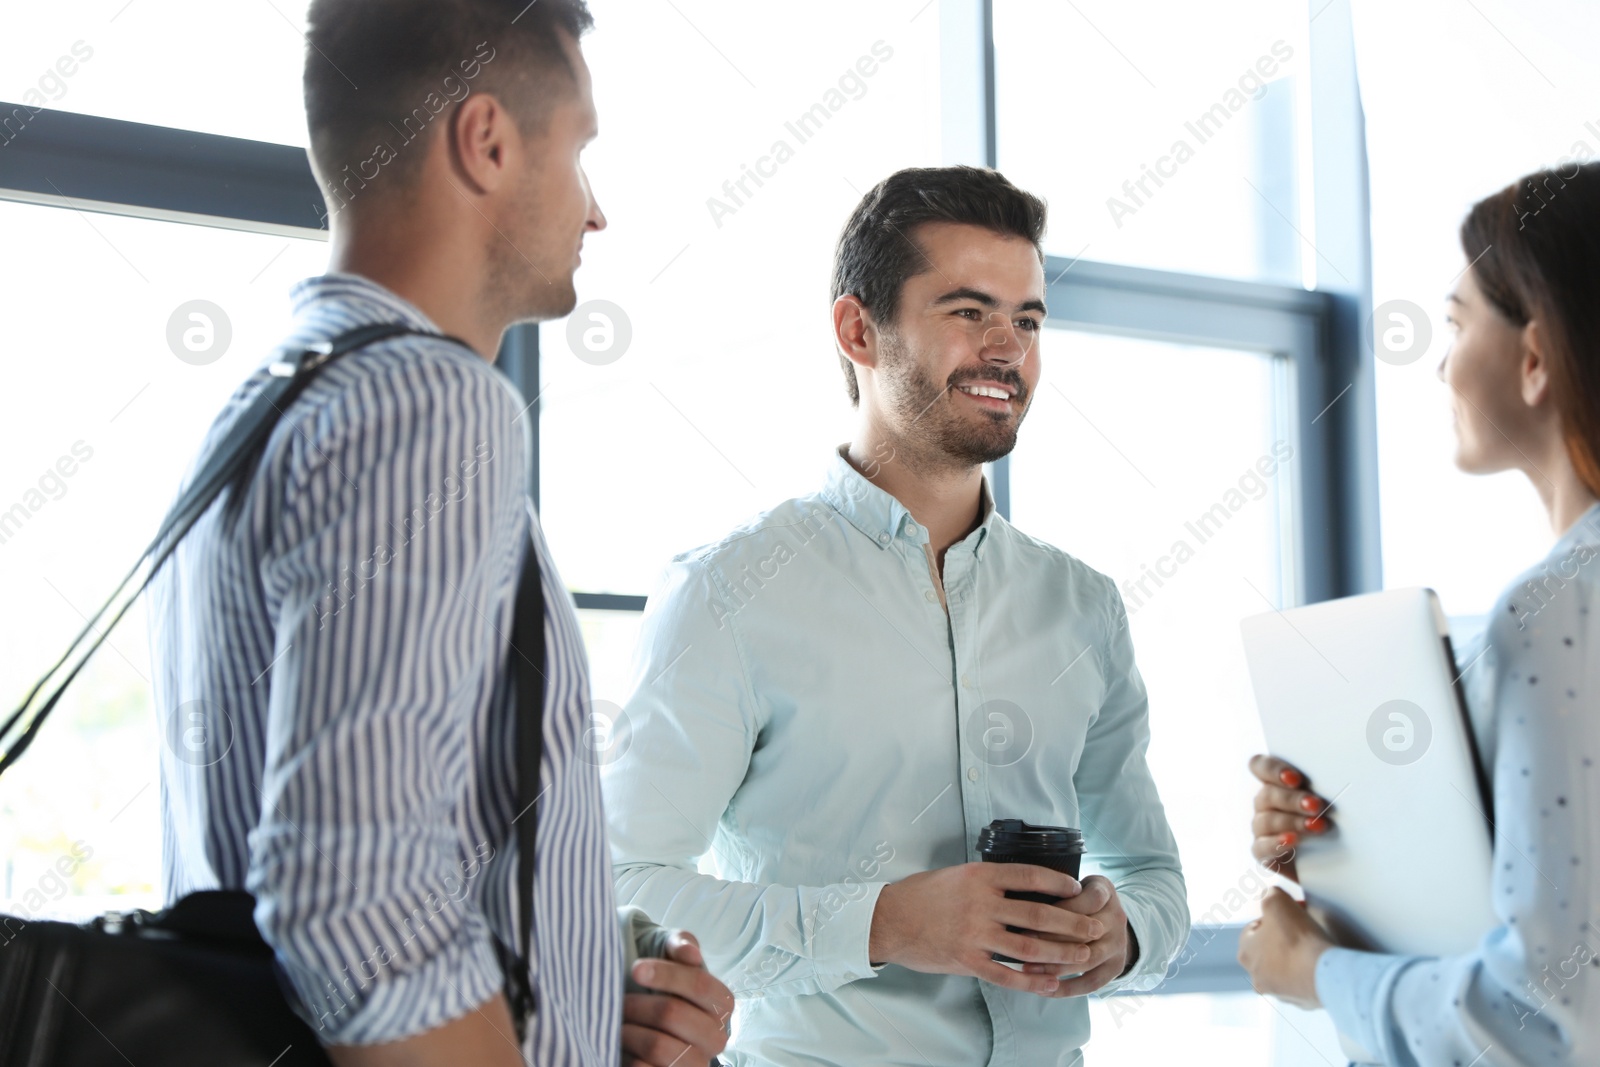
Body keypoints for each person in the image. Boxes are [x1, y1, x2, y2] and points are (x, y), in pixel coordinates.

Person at [146, 2, 733, 1065]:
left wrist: (581, 989)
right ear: (489, 141)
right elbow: (354, 902)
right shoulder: (428, 401)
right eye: (581, 151)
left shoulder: (266, 405)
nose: (594, 213)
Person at [600, 165, 1189, 1066]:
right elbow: (620, 892)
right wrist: (881, 923)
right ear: (857, 329)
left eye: (1028, 320)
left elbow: (1154, 878)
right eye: (968, 311)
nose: (1007, 347)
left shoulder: (1084, 607)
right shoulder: (728, 592)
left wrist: (1127, 935)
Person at [1238, 162, 1600, 1065]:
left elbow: (1546, 1014)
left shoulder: (1556, 612)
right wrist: (1358, 863)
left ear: (1534, 358)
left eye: (1456, 322)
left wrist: (1314, 967)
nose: (1439, 363)